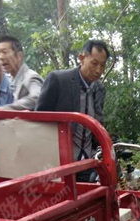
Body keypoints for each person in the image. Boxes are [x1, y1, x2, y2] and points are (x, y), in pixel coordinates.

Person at [36, 39, 108, 181]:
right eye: (94, 63)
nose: (98, 70)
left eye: (102, 65)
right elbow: (39, 120)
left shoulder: (99, 89)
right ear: (81, 58)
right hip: (59, 165)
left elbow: (98, 121)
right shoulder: (58, 80)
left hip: (88, 162)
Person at [0, 35, 43, 110]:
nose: (0, 57)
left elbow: (37, 97)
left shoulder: (31, 77)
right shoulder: (12, 80)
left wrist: (4, 109)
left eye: (4, 52)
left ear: (19, 56)